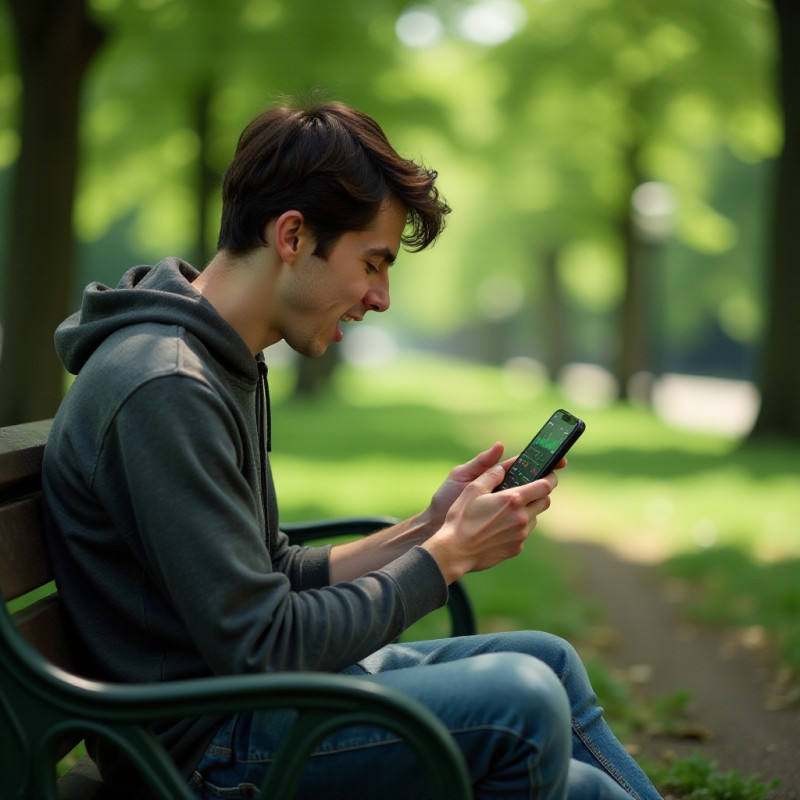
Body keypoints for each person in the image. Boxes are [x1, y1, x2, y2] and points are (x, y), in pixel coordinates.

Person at [42, 99, 662, 800]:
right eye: (373, 263)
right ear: (293, 236)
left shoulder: (213, 359)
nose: (382, 297)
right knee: (520, 700)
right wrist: (444, 560)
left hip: (249, 712)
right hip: (201, 753)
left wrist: (430, 527)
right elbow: (265, 645)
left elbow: (269, 571)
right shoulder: (166, 385)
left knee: (544, 661)